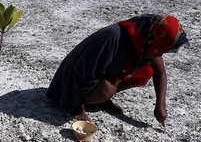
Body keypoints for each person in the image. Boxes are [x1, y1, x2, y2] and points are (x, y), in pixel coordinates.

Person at [46, 14, 188, 125]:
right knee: (107, 90)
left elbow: (160, 73)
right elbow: (82, 69)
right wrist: (76, 106)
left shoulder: (147, 38)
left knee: (147, 69)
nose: (162, 53)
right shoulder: (114, 37)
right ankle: (86, 100)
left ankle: (100, 100)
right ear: (158, 40)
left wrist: (160, 105)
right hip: (72, 80)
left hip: (98, 73)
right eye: (164, 48)